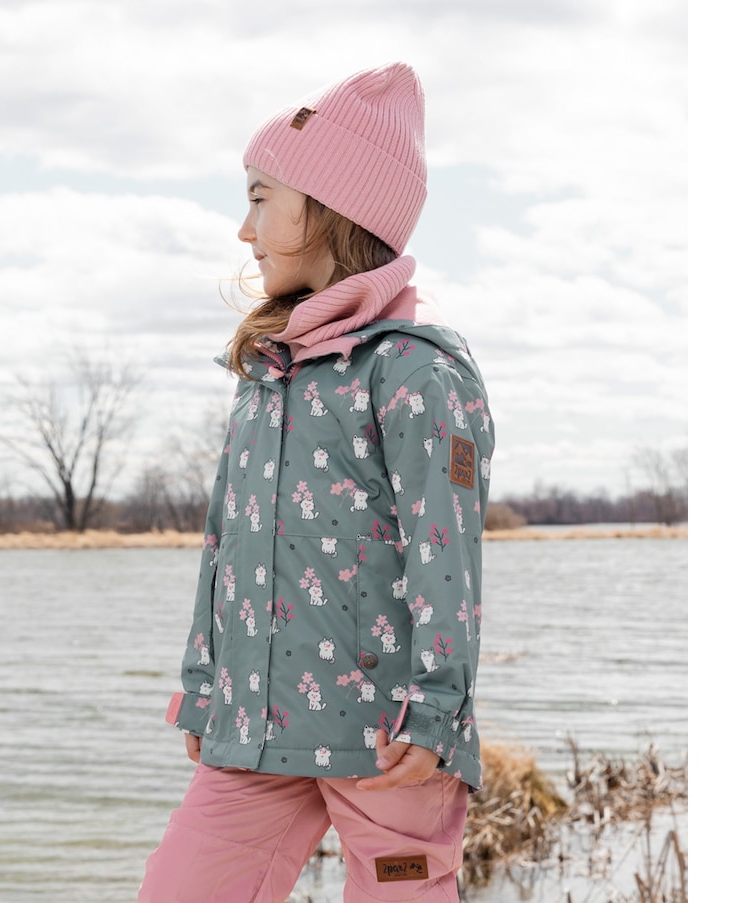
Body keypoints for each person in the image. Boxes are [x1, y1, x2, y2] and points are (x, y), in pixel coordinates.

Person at [139, 62, 495, 902]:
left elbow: (445, 552)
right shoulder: (267, 373)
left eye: (261, 198)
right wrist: (204, 684)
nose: (245, 229)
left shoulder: (413, 371)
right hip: (255, 729)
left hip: (390, 741)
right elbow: (225, 544)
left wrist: (436, 708)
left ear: (331, 206)